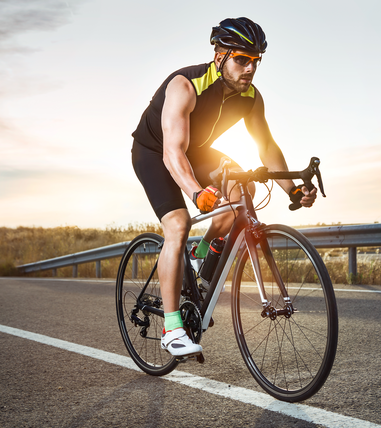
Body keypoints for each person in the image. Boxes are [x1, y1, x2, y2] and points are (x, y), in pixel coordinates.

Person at [131, 17, 317, 356]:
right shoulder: (186, 86)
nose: (249, 68)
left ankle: (199, 258)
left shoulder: (250, 97)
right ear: (220, 57)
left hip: (199, 151)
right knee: (178, 223)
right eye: (241, 59)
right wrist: (195, 192)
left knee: (242, 196)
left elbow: (267, 147)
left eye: (255, 61)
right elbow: (173, 153)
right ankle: (172, 328)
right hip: (155, 152)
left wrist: (292, 189)